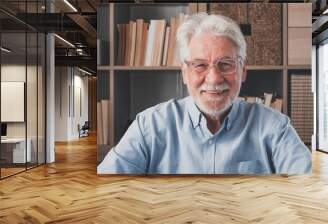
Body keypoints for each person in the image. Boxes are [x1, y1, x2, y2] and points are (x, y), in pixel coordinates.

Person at [98, 13, 312, 174]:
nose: (214, 79)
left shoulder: (276, 128)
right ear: (184, 72)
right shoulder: (149, 126)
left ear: (243, 70)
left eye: (226, 64)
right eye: (200, 65)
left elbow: (307, 193)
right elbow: (108, 191)